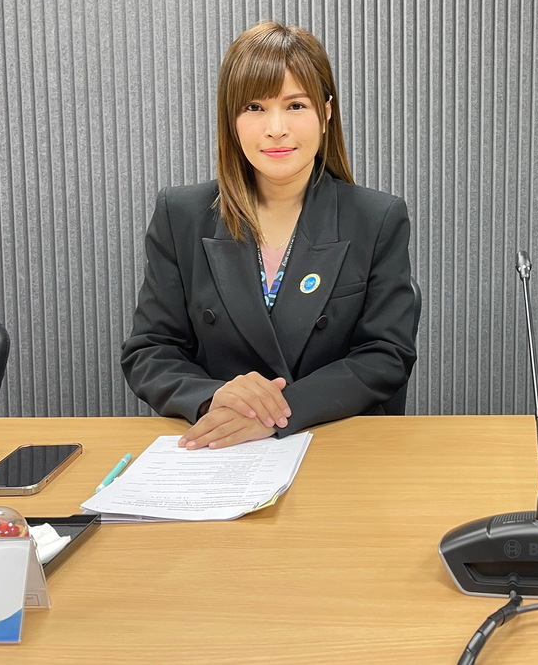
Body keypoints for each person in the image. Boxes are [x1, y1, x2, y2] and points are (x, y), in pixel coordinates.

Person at [122, 22, 417, 449]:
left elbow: (385, 355)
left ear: (326, 112)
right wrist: (214, 398)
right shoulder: (181, 215)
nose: (276, 128)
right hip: (221, 446)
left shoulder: (376, 218)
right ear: (232, 119)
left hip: (333, 442)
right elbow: (150, 350)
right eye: (255, 107)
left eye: (295, 105)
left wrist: (280, 412)